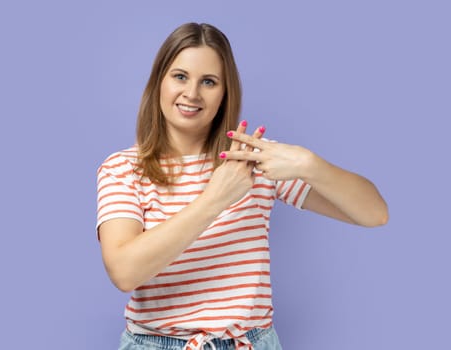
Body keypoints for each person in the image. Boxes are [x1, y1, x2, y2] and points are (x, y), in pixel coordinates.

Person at [96, 22, 388, 350]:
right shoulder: (123, 169)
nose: (191, 94)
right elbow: (124, 272)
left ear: (224, 93)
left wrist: (309, 164)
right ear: (159, 82)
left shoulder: (254, 159)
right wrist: (215, 198)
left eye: (208, 82)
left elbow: (374, 213)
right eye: (180, 76)